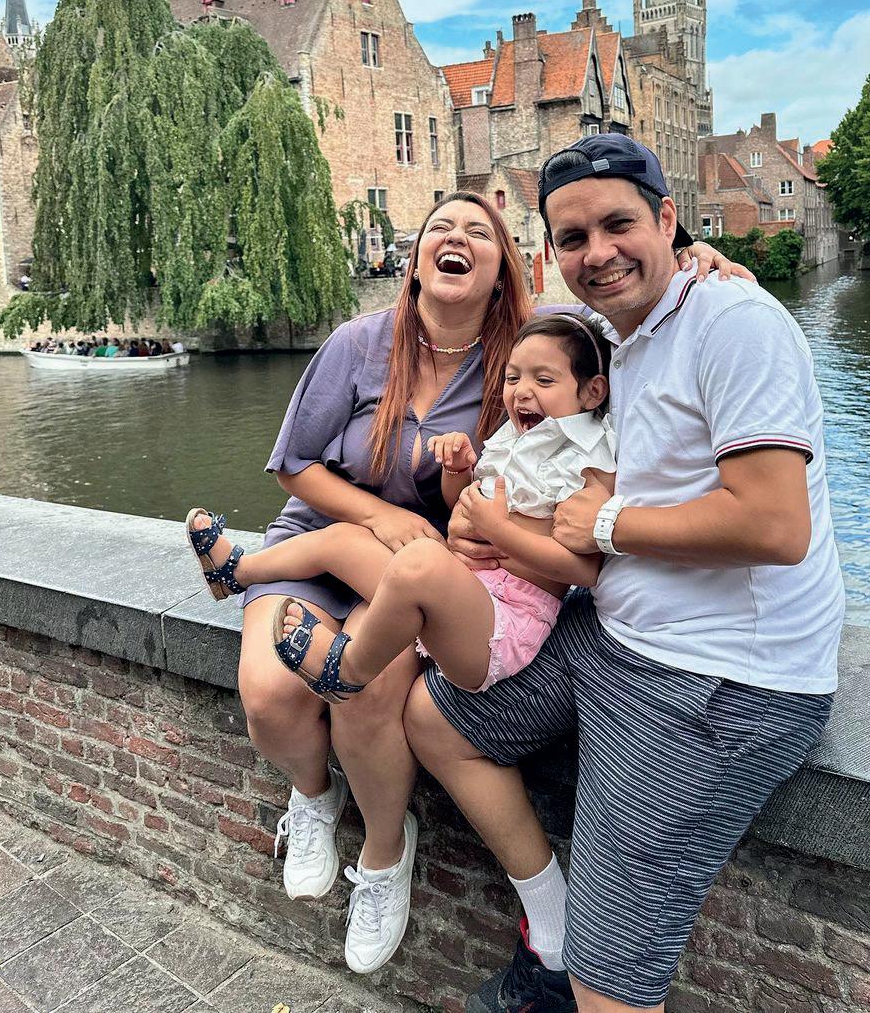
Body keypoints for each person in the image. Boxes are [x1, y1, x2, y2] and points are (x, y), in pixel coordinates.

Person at [229, 190, 746, 979]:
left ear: (506, 268)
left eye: (480, 231)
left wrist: (692, 266)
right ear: (414, 262)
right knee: (269, 693)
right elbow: (292, 465)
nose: (456, 238)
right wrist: (383, 516)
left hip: (432, 568)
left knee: (374, 689)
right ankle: (311, 795)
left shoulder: (526, 352)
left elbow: (620, 322)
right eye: (440, 227)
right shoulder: (358, 343)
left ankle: (385, 853)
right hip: (332, 539)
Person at [405, 134, 846, 1013]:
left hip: (718, 678)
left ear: (668, 220)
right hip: (610, 637)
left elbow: (775, 524)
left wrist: (604, 524)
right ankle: (549, 923)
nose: (598, 253)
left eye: (619, 226)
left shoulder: (737, 323)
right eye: (573, 239)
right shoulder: (613, 334)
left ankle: (579, 966)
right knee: (433, 717)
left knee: (608, 985)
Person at [186, 313, 616, 704]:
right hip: (459, 587)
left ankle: (347, 670)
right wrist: (457, 470)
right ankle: (236, 573)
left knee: (421, 560)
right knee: (345, 539)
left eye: (544, 381)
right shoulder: (514, 439)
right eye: (512, 378)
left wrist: (499, 531)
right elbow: (461, 505)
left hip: (496, 628)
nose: (521, 391)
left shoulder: (589, 462)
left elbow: (584, 570)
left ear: (592, 391)